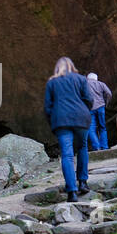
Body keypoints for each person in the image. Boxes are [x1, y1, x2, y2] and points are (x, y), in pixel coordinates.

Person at [44, 56, 94, 202]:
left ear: (57, 67)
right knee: (82, 148)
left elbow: (47, 107)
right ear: (71, 66)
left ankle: (72, 191)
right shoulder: (80, 79)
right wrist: (84, 111)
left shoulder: (52, 82)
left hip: (61, 121)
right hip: (81, 118)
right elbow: (89, 100)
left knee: (67, 154)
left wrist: (53, 121)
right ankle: (83, 182)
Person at [85, 72, 113, 151]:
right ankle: (104, 147)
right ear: (96, 78)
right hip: (101, 107)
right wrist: (106, 103)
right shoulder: (101, 84)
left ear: (88, 78)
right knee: (102, 127)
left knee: (91, 128)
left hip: (90, 109)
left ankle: (96, 147)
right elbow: (109, 93)